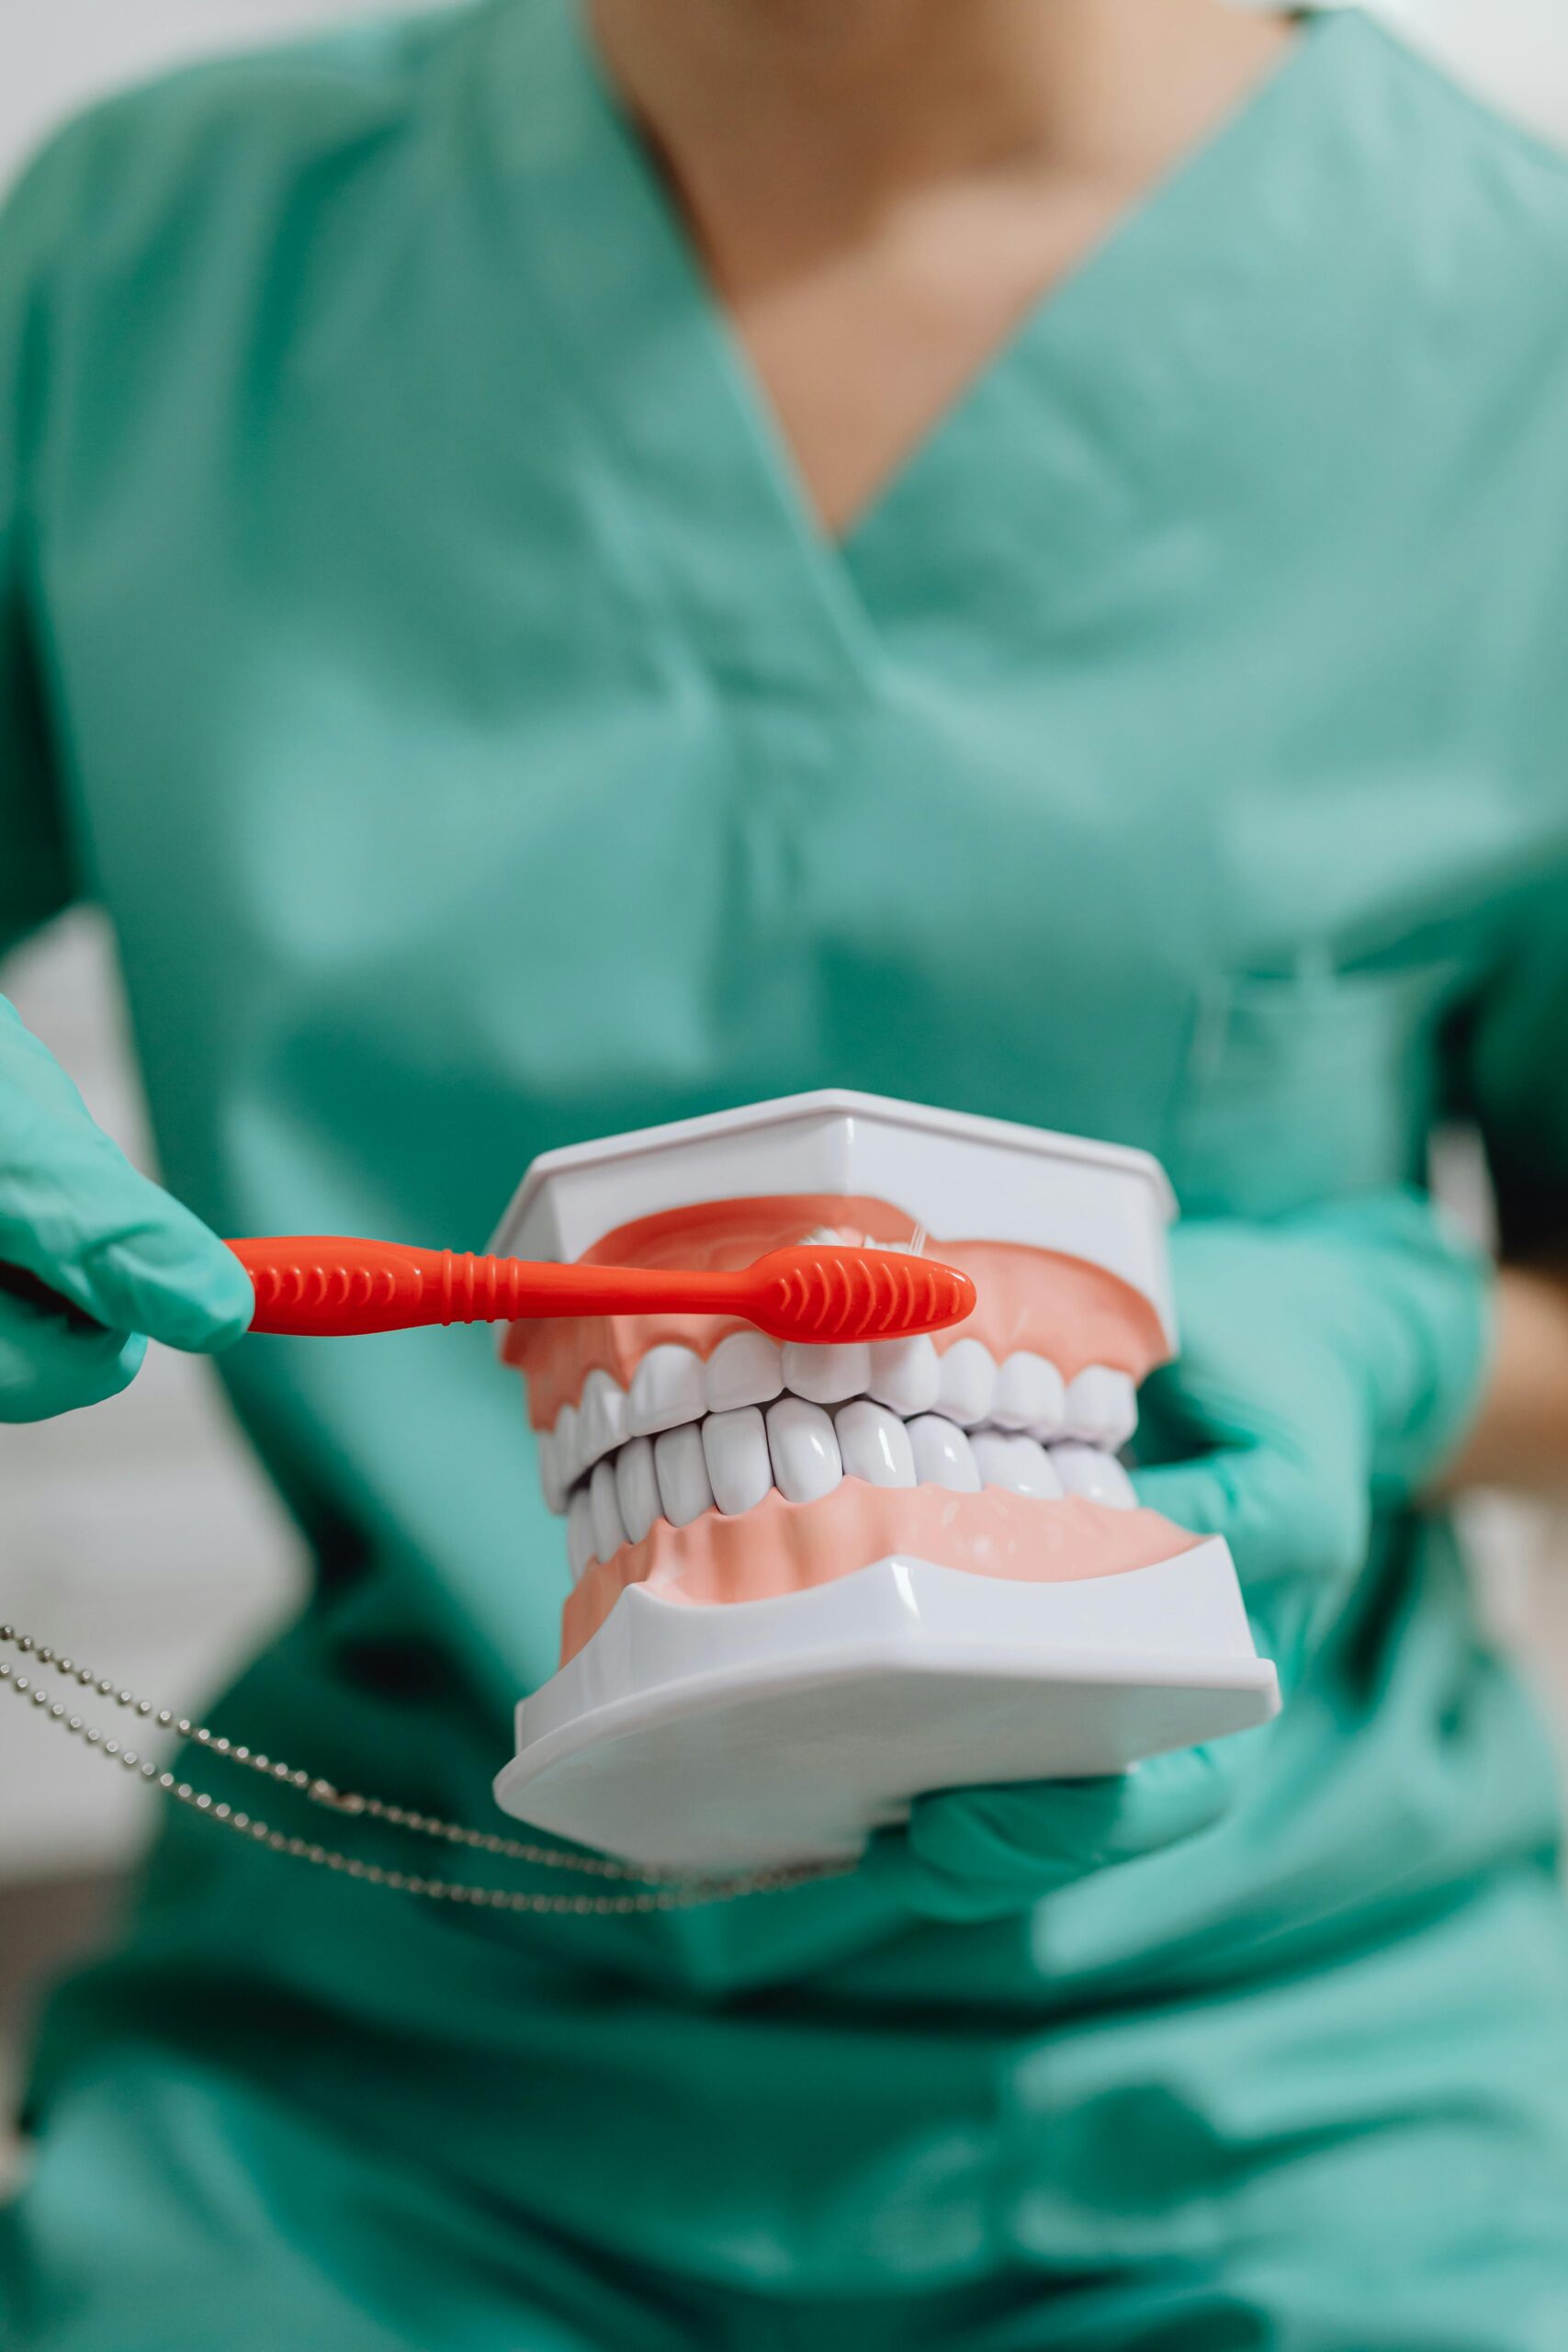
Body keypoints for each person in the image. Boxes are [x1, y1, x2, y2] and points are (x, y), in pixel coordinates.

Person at [3, 0, 1568, 2342]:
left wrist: (1402, 1346)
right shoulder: (152, 264)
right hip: (360, 2071)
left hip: (1286, 2072)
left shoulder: (1512, 344)